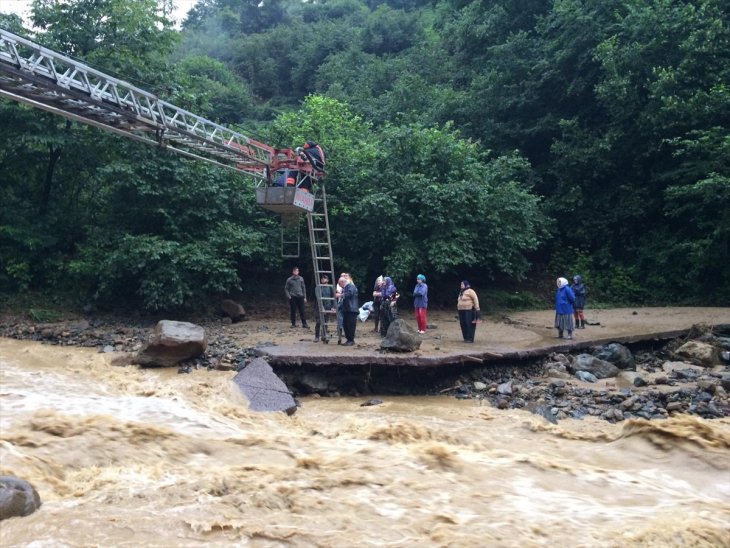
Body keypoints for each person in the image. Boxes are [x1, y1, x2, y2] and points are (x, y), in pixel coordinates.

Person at [313, 273, 335, 342]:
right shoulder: (318, 287)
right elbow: (318, 298)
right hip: (319, 308)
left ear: (328, 280)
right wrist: (321, 307)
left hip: (328, 307)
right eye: (322, 278)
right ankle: (317, 337)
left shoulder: (330, 288)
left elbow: (333, 298)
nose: (323, 279)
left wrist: (333, 307)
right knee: (319, 322)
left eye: (325, 278)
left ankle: (324, 336)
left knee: (325, 323)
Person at [339, 276, 359, 346]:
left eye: (339, 284)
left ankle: (351, 340)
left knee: (350, 325)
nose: (340, 286)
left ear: (342, 282)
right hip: (347, 310)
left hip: (352, 310)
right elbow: (343, 301)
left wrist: (341, 295)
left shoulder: (351, 286)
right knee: (346, 325)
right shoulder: (345, 288)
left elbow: (350, 294)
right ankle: (349, 339)